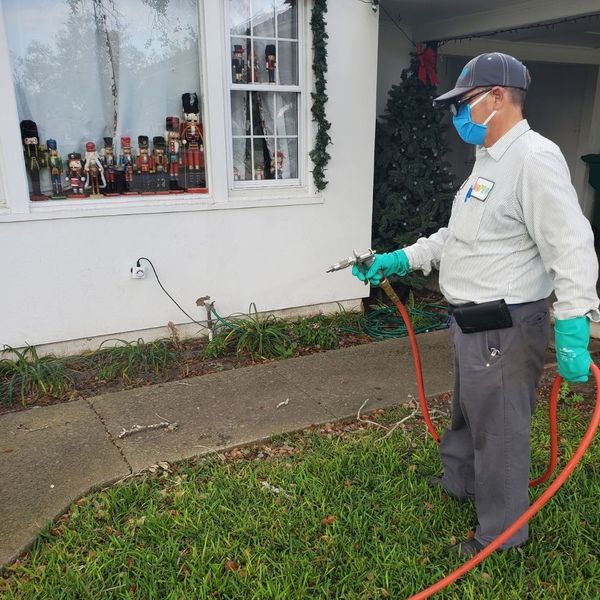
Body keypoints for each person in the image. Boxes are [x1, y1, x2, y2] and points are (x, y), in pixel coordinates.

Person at [353, 52, 599, 557]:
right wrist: (402, 258)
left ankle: (501, 539)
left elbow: (571, 243)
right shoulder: (488, 161)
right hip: (472, 325)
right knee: (468, 415)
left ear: (497, 98)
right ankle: (460, 484)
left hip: (505, 328)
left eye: (463, 103)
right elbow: (458, 238)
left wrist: (575, 317)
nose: (457, 115)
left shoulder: (534, 158)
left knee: (501, 433)